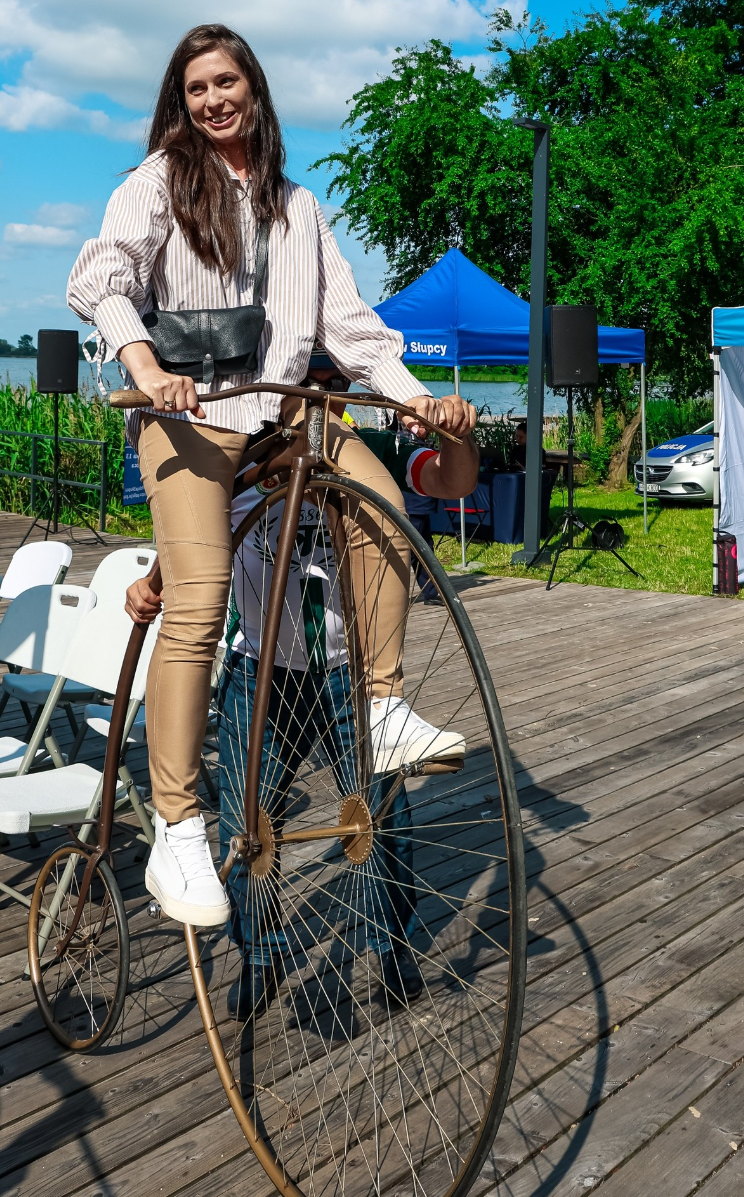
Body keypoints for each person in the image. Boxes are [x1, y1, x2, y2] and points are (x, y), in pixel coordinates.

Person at [67, 21, 471, 930]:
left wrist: (412, 400)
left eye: (227, 82)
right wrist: (144, 367)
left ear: (254, 87)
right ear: (181, 102)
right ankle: (178, 827)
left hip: (282, 414)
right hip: (187, 416)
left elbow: (351, 327)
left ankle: (383, 704)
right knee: (200, 599)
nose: (214, 100)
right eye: (196, 88)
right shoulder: (158, 184)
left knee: (380, 501)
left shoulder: (300, 207)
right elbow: (102, 280)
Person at [126, 350, 480, 1015]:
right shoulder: (238, 462)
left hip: (347, 678)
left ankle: (391, 947)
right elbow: (192, 540)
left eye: (333, 383)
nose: (319, 397)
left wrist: (458, 433)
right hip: (260, 674)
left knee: (383, 820)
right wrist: (150, 584)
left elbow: (448, 481)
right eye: (305, 383)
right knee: (246, 826)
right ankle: (261, 956)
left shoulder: (363, 457)